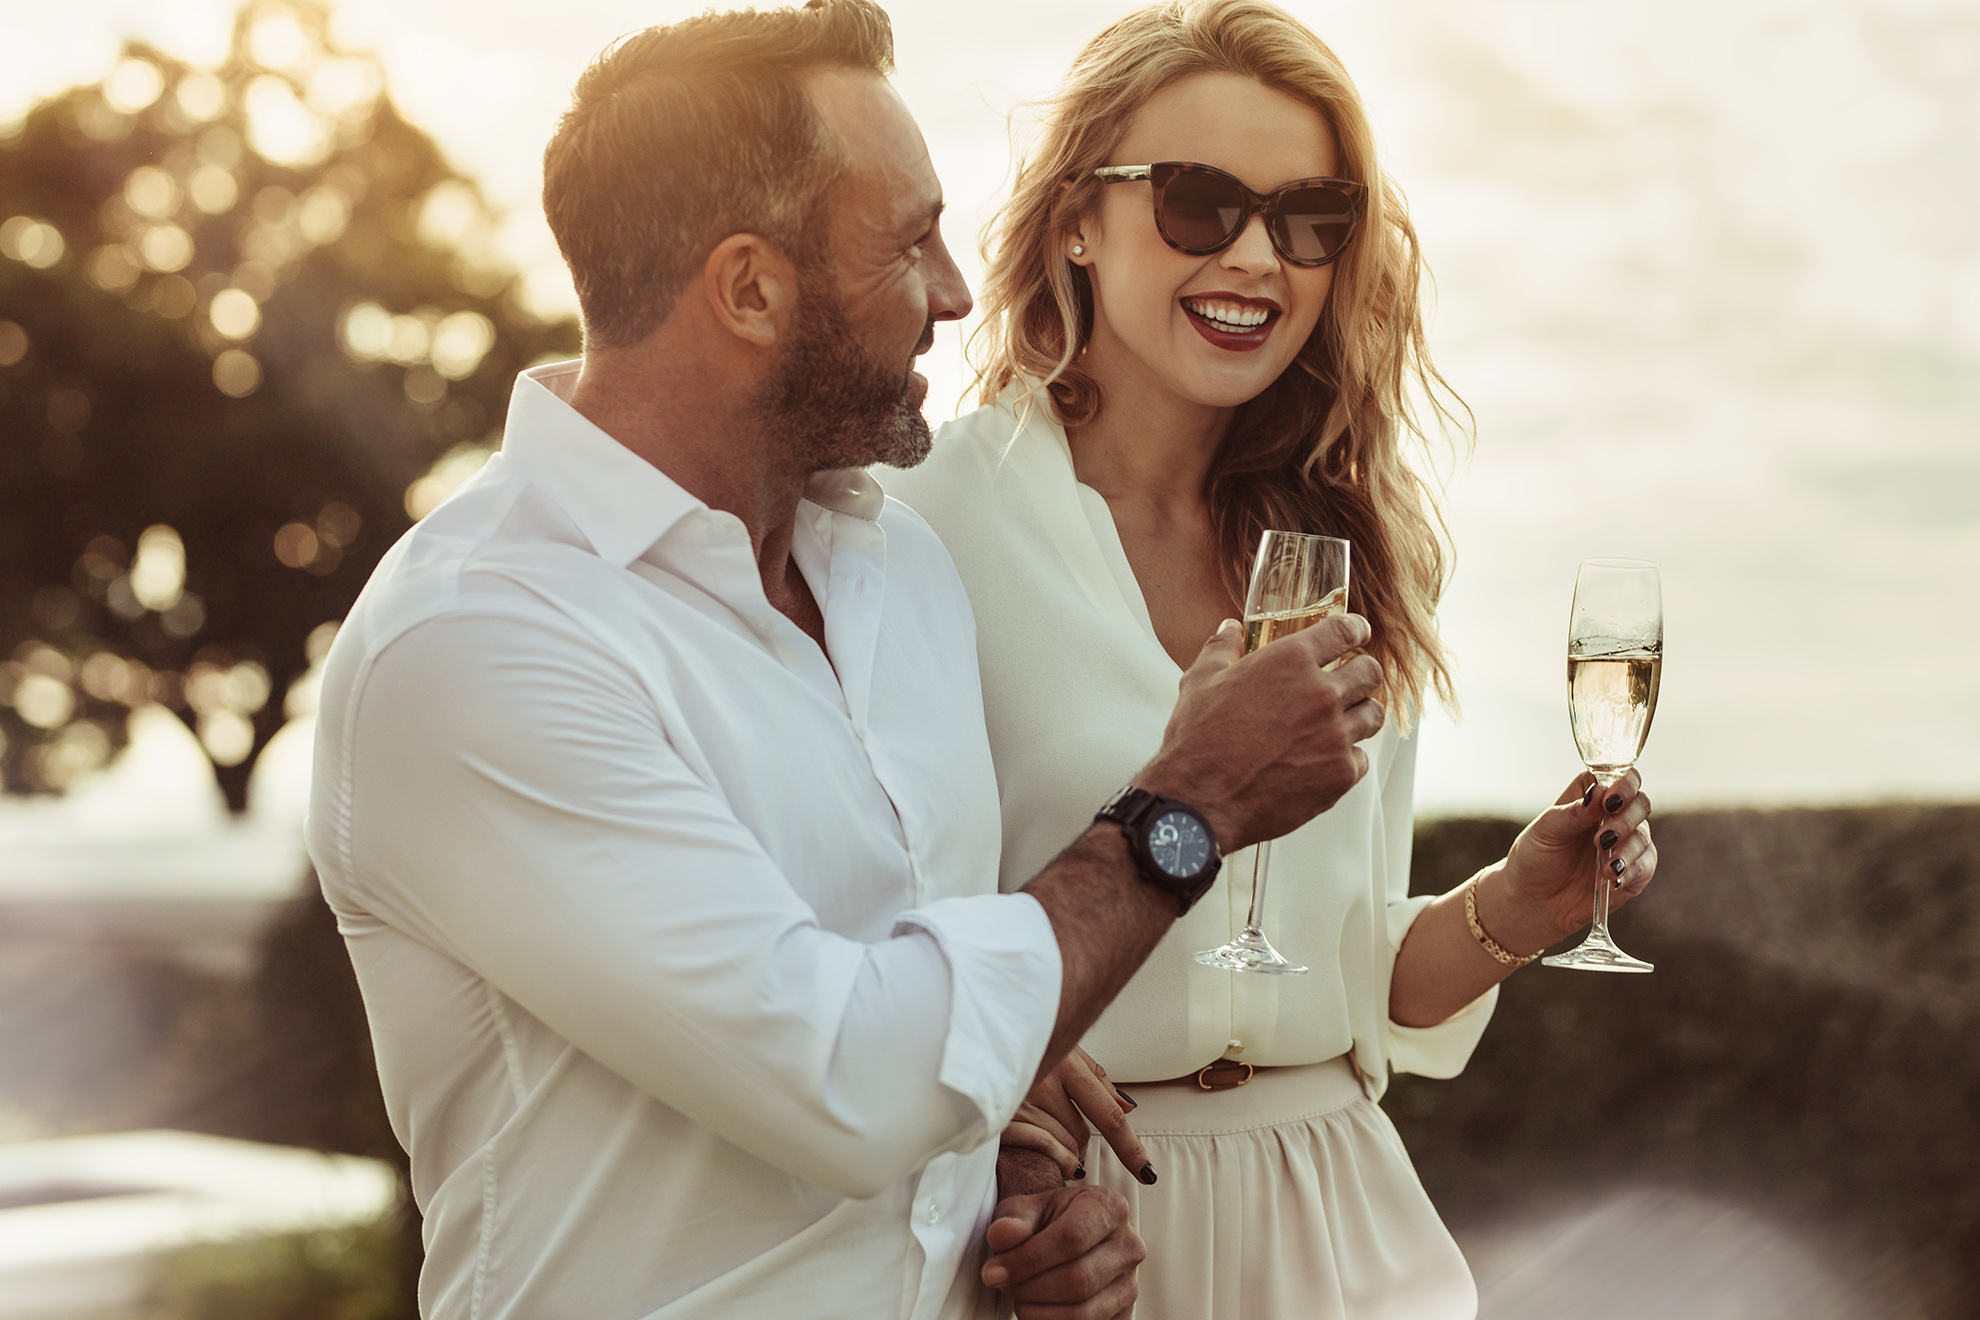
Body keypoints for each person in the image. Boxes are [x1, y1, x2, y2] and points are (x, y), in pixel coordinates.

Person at [304, 2, 1389, 1317]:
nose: (952, 288)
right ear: (750, 289)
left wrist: (1017, 1183)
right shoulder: (480, 648)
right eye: (906, 243)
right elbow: (852, 1082)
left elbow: (933, 1010)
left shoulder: (897, 574)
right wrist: (1192, 806)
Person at [885, 2, 1661, 1317]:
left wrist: (1511, 914)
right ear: (1077, 216)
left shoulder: (1340, 544)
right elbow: (864, 947)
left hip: (1344, 1217)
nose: (1258, 254)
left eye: (1310, 217)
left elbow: (1343, 988)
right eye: (1200, 203)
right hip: (1074, 1228)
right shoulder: (925, 527)